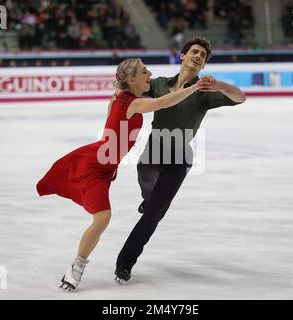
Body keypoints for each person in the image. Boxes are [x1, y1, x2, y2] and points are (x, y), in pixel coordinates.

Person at [36, 58, 210, 292]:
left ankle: (78, 265)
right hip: (95, 166)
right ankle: (76, 268)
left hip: (105, 165)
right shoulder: (132, 103)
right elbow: (164, 102)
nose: (150, 73)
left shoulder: (121, 98)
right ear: (131, 79)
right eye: (144, 71)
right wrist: (194, 88)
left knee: (102, 216)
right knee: (102, 217)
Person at [114, 37, 246, 283]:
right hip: (152, 152)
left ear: (203, 66)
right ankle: (149, 200)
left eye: (202, 56)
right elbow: (131, 89)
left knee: (153, 214)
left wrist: (221, 86)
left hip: (178, 160)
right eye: (194, 52)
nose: (198, 56)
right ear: (182, 56)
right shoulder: (160, 84)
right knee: (149, 195)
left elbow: (241, 97)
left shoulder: (205, 93)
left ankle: (125, 263)